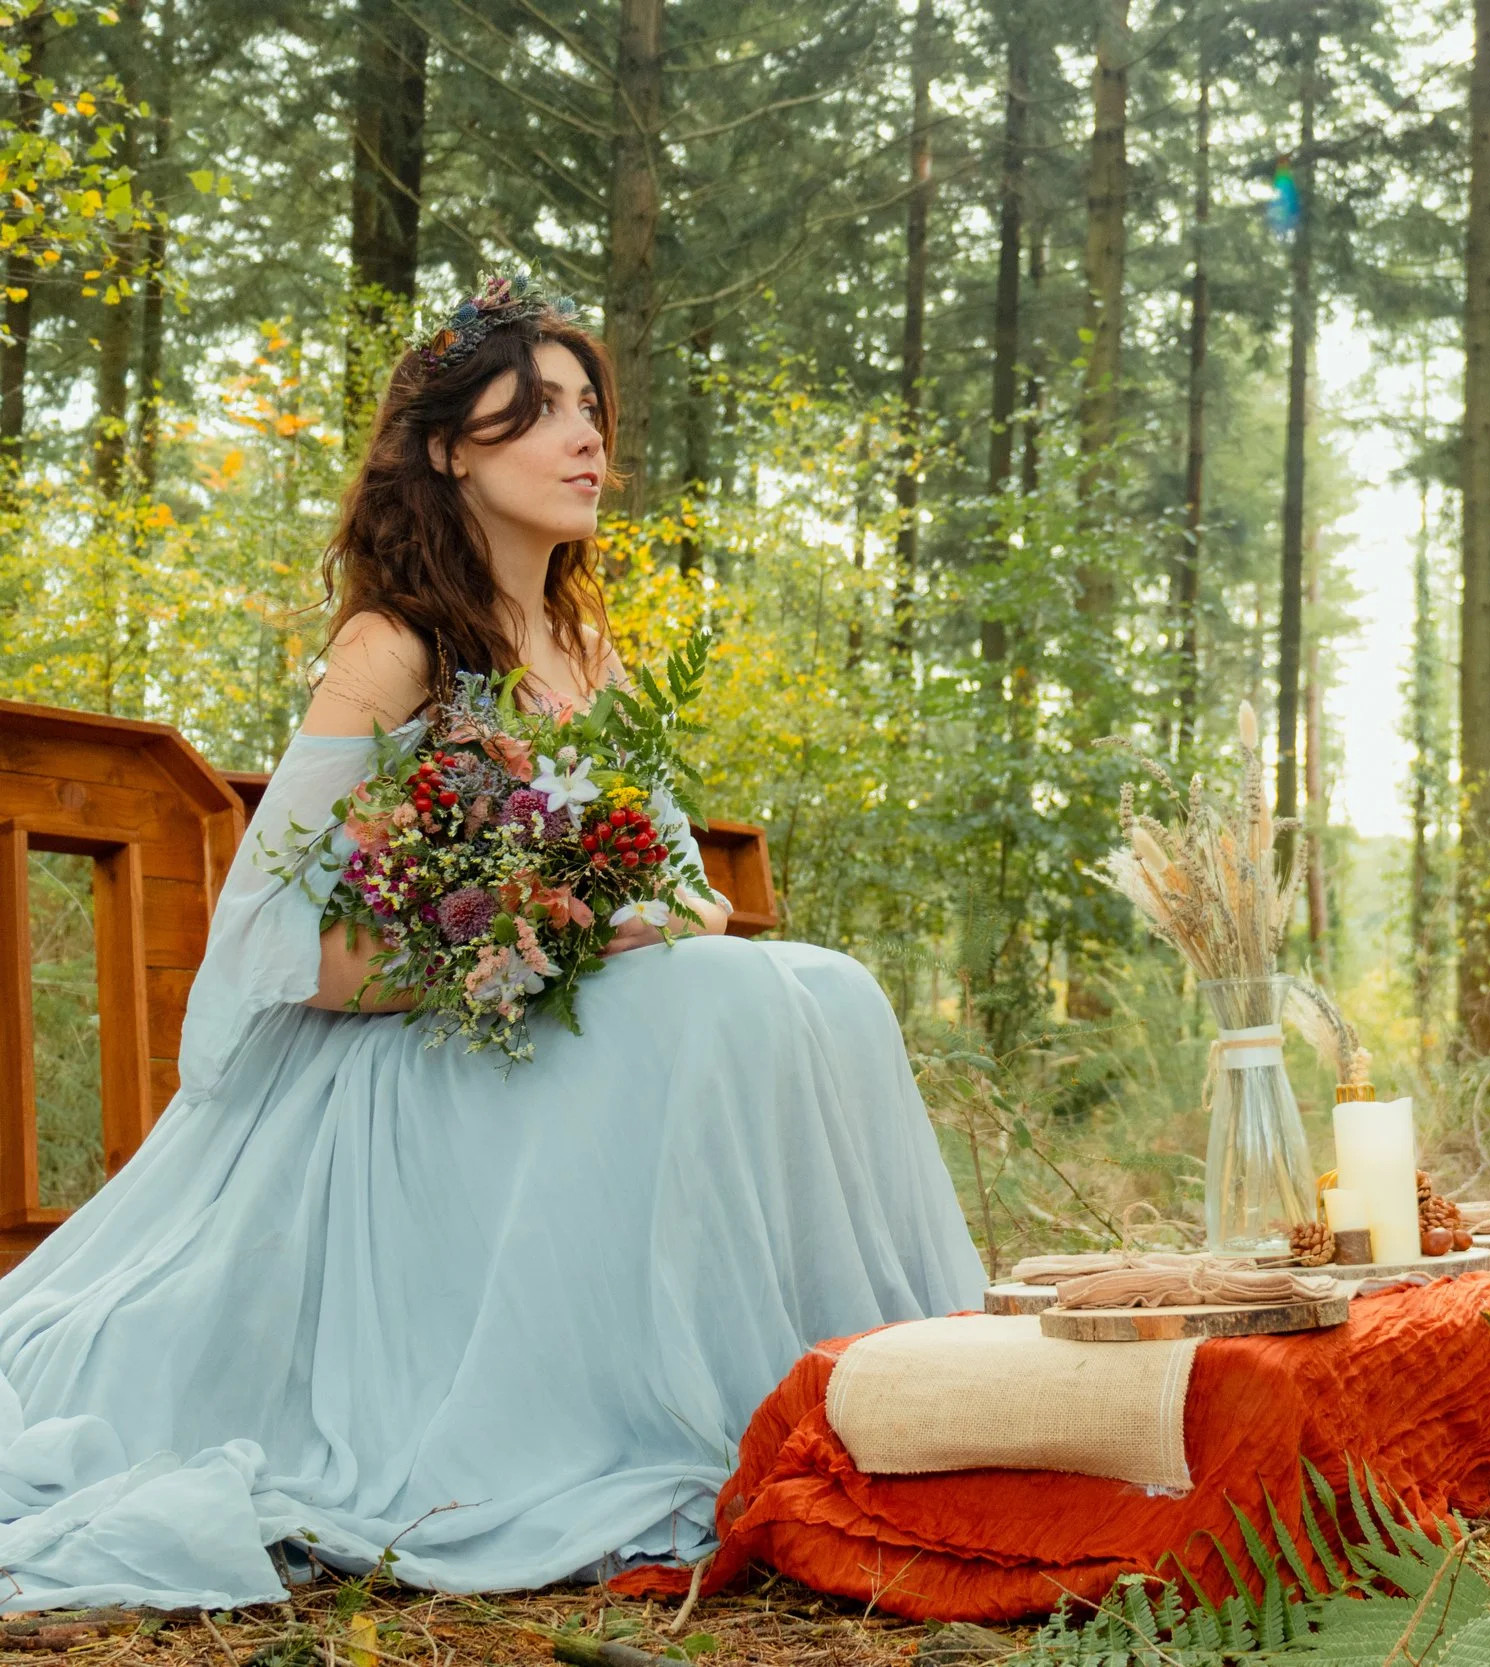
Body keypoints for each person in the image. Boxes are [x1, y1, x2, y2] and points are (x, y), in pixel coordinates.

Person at [0, 276, 986, 1611]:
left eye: (593, 408)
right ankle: (696, 1415)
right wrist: (520, 940)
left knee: (829, 986)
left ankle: (879, 1396)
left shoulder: (588, 642)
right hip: (406, 1068)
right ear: (456, 446)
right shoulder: (392, 647)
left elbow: (683, 888)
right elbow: (288, 947)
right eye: (542, 414)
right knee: (710, 1007)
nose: (589, 439)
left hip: (556, 1031)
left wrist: (605, 914)